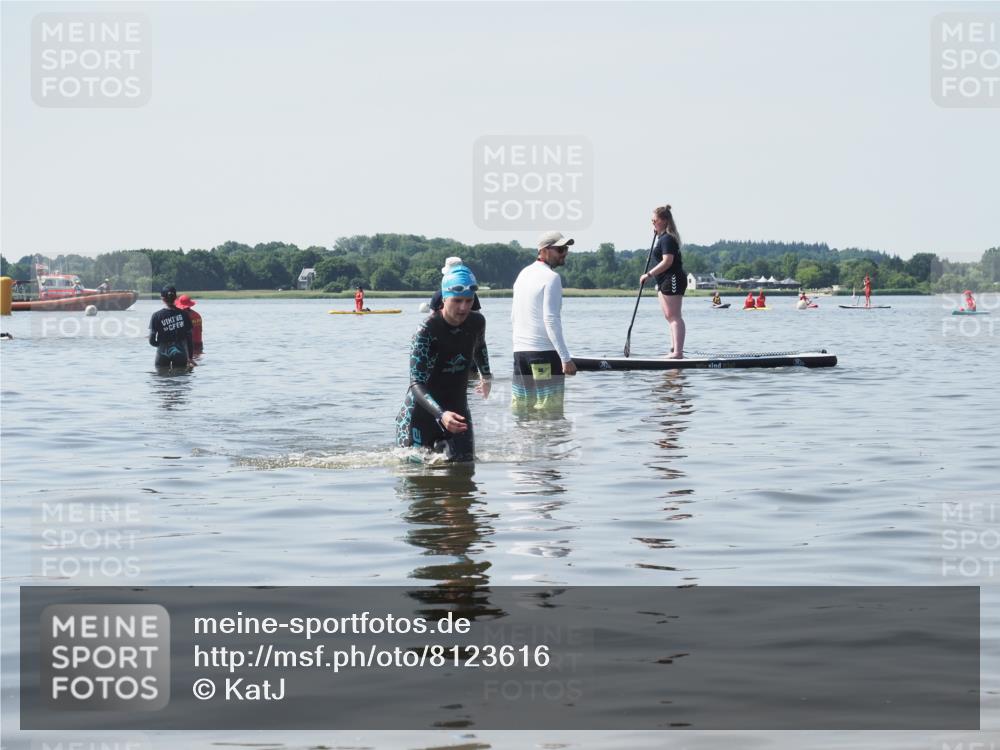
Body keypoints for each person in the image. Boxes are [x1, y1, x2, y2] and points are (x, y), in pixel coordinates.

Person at [395, 265, 492, 462]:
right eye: (457, 301)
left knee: (465, 475)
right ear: (444, 299)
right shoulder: (426, 331)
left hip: (457, 411)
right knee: (418, 482)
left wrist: (486, 375)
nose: (464, 308)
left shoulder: (477, 322)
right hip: (421, 416)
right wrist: (441, 414)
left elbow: (480, 346)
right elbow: (416, 383)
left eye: (468, 301)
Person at [511, 231, 577, 412]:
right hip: (544, 354)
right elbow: (551, 319)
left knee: (522, 410)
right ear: (545, 250)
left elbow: (513, 316)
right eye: (561, 249)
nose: (565, 253)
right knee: (550, 412)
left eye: (566, 249)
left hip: (520, 354)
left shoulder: (522, 274)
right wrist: (565, 358)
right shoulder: (552, 278)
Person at [639, 205, 686, 358]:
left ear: (664, 220)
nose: (653, 224)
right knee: (669, 317)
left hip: (672, 278)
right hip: (665, 280)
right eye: (652, 221)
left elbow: (667, 261)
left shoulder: (667, 239)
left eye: (655, 221)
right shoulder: (662, 238)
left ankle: (678, 352)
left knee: (674, 316)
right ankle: (674, 350)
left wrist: (649, 274)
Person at [148, 286, 194, 370]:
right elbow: (189, 338)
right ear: (175, 298)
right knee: (180, 379)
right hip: (180, 351)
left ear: (162, 298)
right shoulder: (184, 314)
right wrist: (190, 357)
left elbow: (151, 340)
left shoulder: (156, 315)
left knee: (161, 379)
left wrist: (161, 345)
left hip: (162, 352)